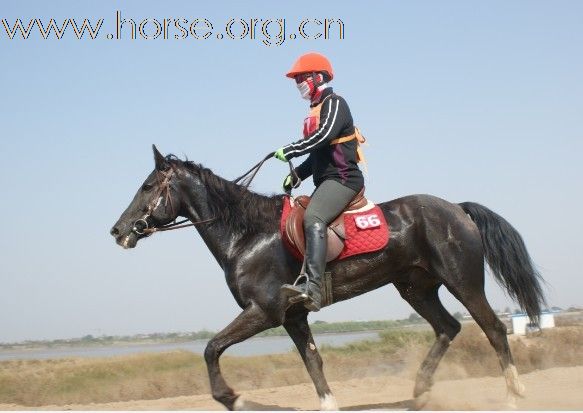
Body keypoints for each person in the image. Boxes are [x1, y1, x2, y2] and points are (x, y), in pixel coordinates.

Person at [274, 52, 365, 312]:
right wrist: (298, 174)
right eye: (296, 80)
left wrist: (291, 149)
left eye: (301, 78)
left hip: (344, 178)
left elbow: (324, 137)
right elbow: (318, 155)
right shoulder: (316, 108)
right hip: (326, 180)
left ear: (317, 77)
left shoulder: (335, 102)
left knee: (312, 217)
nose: (298, 83)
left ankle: (313, 288)